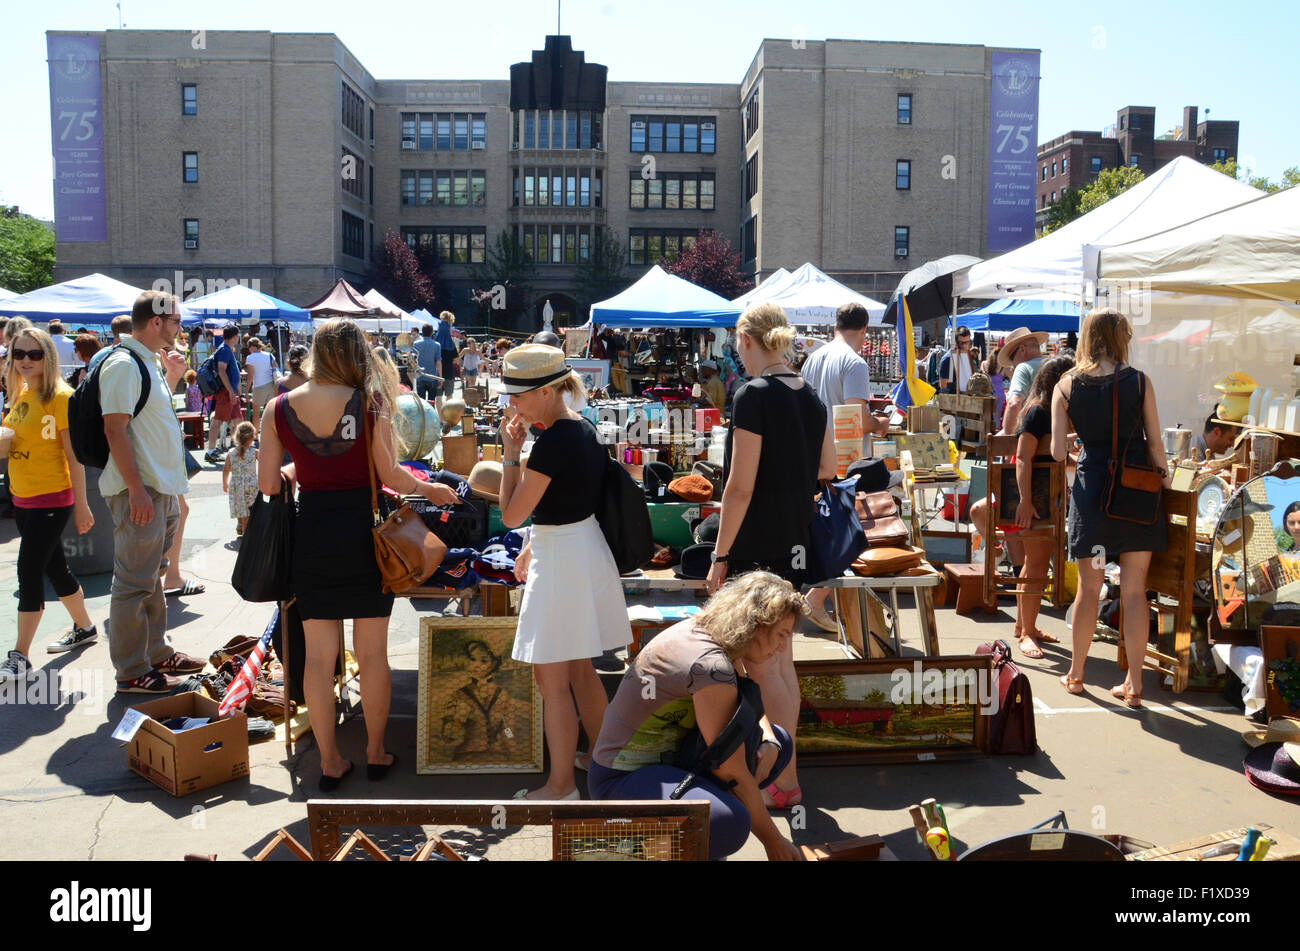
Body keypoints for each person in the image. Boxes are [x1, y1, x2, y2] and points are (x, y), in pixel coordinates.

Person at [258, 317, 461, 790]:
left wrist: (302, 466)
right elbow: (391, 474)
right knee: (371, 655)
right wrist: (431, 488)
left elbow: (269, 483)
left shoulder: (278, 408)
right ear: (357, 355)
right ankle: (375, 751)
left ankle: (328, 760)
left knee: (317, 659)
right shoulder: (370, 403)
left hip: (312, 535)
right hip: (363, 537)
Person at [707, 302, 836, 810]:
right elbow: (827, 469)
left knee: (763, 665)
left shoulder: (753, 395)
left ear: (746, 340)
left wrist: (719, 556)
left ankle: (783, 777)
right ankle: (786, 772)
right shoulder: (812, 397)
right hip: (796, 541)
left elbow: (738, 487)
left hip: (757, 544)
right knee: (781, 663)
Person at [589, 571, 804, 861]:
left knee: (780, 741)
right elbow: (731, 770)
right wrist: (774, 842)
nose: (781, 648)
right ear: (756, 625)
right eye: (781, 635)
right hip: (619, 781)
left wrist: (768, 740)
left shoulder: (718, 633)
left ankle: (691, 836)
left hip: (665, 764)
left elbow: (749, 705)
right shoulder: (710, 668)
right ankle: (643, 849)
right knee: (728, 823)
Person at [496, 344, 632, 800]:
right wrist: (534, 547)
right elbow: (563, 506)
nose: (511, 404)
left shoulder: (553, 440)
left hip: (565, 561)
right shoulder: (580, 428)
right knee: (579, 669)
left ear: (548, 391)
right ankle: (600, 759)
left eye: (518, 395)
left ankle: (560, 786)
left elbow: (512, 515)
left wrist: (510, 455)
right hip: (577, 550)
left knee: (553, 681)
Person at [1052, 309, 1168, 708]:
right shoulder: (1140, 381)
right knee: (1135, 592)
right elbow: (1156, 446)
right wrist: (1165, 481)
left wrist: (1081, 443)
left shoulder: (1065, 386)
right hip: (1137, 495)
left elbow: (1055, 452)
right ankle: (1134, 685)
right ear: (1122, 338)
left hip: (1093, 495)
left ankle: (1077, 674)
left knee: (1090, 588)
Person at [99, 291, 206, 693]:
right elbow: (115, 429)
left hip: (156, 488)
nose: (181, 329)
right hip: (140, 492)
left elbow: (146, 422)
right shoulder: (126, 364)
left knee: (150, 578)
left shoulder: (145, 362)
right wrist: (137, 490)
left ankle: (156, 653)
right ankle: (131, 670)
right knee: (133, 583)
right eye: (176, 321)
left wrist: (173, 378)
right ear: (157, 322)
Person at [0, 329, 98, 682]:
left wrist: (83, 506)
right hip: (22, 498)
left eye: (34, 354)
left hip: (51, 499)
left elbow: (75, 458)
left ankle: (20, 655)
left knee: (28, 571)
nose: (25, 359)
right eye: (19, 353)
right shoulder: (22, 392)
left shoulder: (61, 396)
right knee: (55, 568)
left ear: (48, 357)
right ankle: (85, 628)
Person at [969, 356, 1075, 659]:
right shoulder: (1038, 412)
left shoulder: (1045, 412)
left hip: (1036, 498)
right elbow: (1024, 457)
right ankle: (1027, 632)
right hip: (1029, 498)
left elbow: (1043, 455)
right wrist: (1026, 501)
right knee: (1037, 564)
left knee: (1035, 563)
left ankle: (1024, 625)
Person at [798, 302, 893, 633]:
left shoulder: (813, 358)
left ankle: (819, 594)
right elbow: (856, 418)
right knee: (853, 532)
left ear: (836, 326)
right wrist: (881, 423)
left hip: (814, 454)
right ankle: (818, 596)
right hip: (846, 459)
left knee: (826, 529)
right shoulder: (854, 363)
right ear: (865, 329)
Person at [438, 640, 530, 763]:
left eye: (483, 661)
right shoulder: (459, 695)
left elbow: (508, 730)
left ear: (494, 664)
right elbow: (447, 738)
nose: (476, 665)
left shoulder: (502, 695)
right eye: (472, 659)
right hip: (467, 756)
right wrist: (458, 721)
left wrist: (515, 756)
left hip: (497, 755)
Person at [998, 326, 1049, 435]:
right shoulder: (1055, 365)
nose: (1012, 364)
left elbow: (1014, 404)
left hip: (1030, 439)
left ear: (1022, 349)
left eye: (1011, 357)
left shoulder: (1023, 367)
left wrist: (1007, 439)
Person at [204, 325, 243, 463]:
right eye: (237, 336)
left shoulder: (224, 349)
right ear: (234, 337)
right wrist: (231, 391)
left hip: (229, 392)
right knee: (218, 421)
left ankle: (242, 449)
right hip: (226, 393)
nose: (238, 338)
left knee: (238, 420)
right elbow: (221, 370)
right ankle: (210, 451)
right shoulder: (225, 350)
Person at [222, 420, 258, 536]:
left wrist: (225, 483)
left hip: (236, 485)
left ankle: (240, 524)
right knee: (248, 509)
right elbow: (264, 465)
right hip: (251, 485)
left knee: (239, 505)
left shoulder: (231, 452)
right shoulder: (255, 452)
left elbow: (226, 469)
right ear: (253, 436)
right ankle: (246, 533)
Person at [242, 337, 278, 430]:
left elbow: (250, 376)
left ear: (252, 347)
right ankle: (271, 434)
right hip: (271, 385)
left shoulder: (250, 358)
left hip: (258, 386)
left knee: (256, 414)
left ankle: (256, 436)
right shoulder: (269, 355)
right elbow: (276, 369)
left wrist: (246, 392)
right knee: (270, 413)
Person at [939, 326, 978, 395]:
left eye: (967, 342)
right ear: (955, 342)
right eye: (961, 343)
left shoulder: (967, 356)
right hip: (953, 400)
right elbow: (943, 387)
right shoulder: (948, 359)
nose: (964, 346)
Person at [412, 322, 443, 405]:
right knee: (431, 404)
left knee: (421, 405)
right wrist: (440, 377)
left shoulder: (415, 344)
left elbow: (412, 361)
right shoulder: (437, 345)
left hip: (419, 377)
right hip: (432, 377)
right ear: (432, 332)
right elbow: (438, 362)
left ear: (422, 332)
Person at [436, 311, 457, 399]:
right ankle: (448, 413)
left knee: (438, 396)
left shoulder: (435, 342)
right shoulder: (451, 343)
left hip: (436, 372)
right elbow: (456, 359)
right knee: (449, 395)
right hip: (449, 371)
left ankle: (440, 413)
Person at [984, 348, 1006, 431]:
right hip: (999, 393)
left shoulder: (984, 364)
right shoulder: (1003, 367)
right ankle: (996, 435)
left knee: (986, 416)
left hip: (987, 392)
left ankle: (986, 434)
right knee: (997, 417)